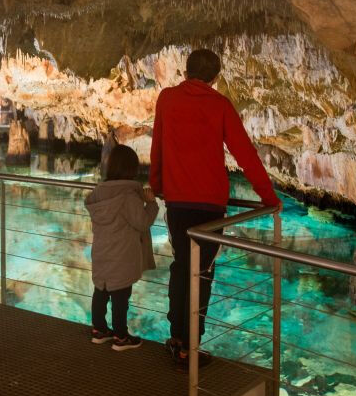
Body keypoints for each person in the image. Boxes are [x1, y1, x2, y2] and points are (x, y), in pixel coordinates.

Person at [149, 48, 281, 368]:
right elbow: (245, 153)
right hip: (209, 207)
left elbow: (158, 147)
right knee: (202, 272)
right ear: (215, 78)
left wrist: (157, 186)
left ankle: (177, 337)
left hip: (178, 201)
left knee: (182, 265)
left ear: (185, 72)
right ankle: (189, 346)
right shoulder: (219, 104)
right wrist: (268, 198)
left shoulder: (167, 99)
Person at [85, 144, 159, 351]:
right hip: (123, 255)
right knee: (120, 296)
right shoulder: (128, 196)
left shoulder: (99, 193)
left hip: (101, 252)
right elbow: (142, 222)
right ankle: (121, 336)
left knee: (101, 290)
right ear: (131, 168)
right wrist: (151, 204)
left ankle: (99, 330)